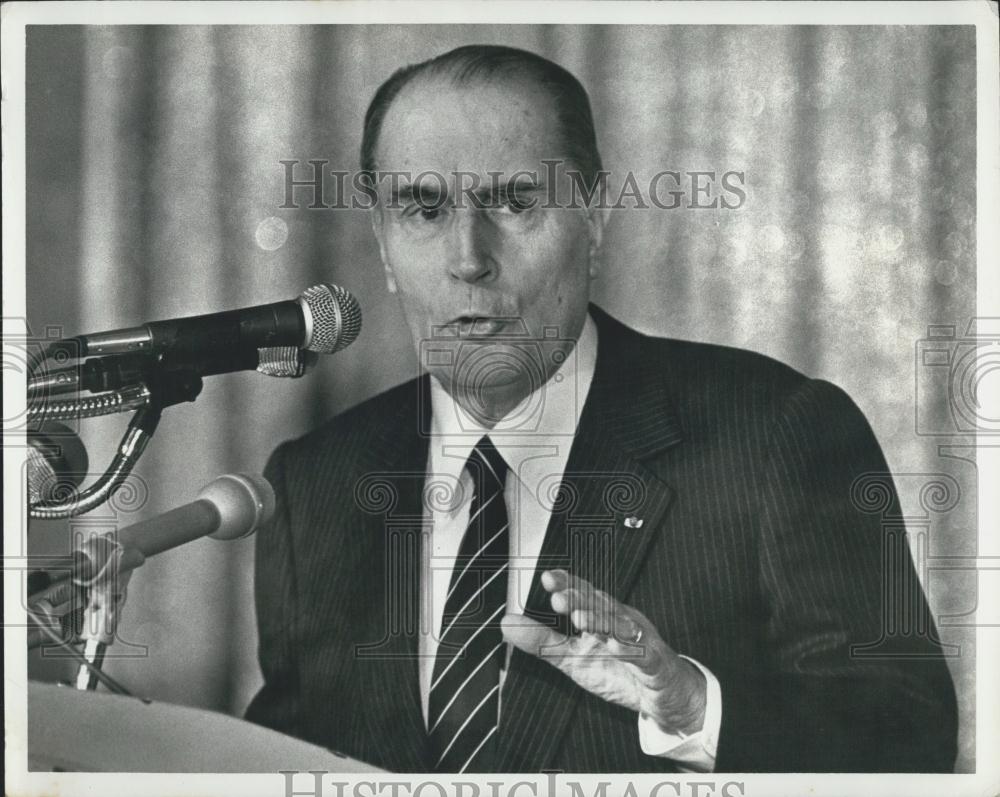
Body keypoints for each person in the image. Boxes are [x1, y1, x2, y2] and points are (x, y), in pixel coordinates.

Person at [245, 44, 958, 774]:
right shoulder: (315, 486)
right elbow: (283, 761)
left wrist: (693, 709)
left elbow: (909, 744)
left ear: (594, 218)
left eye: (514, 200)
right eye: (423, 208)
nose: (468, 256)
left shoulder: (777, 433)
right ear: (384, 247)